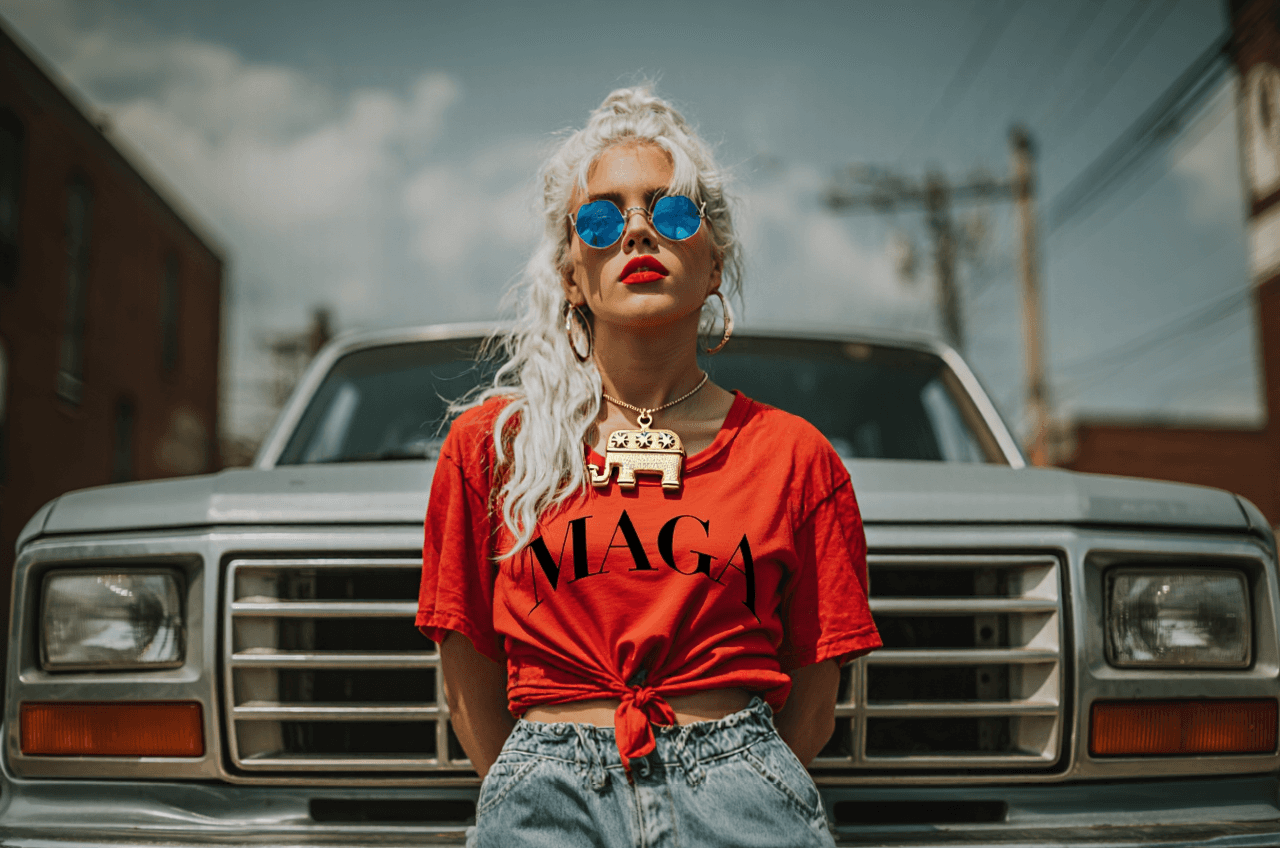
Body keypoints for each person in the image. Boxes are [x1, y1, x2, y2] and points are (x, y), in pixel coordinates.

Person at [417, 85, 881, 848]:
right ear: (571, 273)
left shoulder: (796, 455)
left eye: (671, 212)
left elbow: (816, 695)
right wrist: (532, 785)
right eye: (601, 218)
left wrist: (733, 776)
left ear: (713, 266)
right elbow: (467, 675)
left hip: (741, 791)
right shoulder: (490, 446)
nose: (636, 231)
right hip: (545, 797)